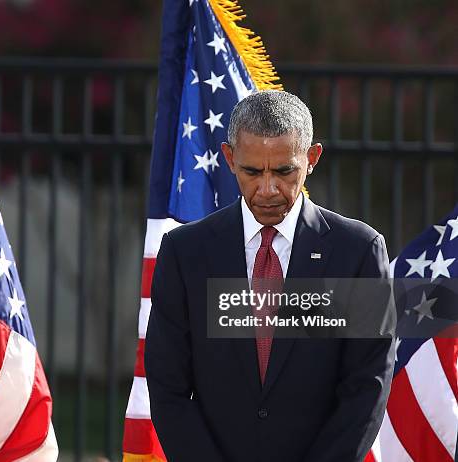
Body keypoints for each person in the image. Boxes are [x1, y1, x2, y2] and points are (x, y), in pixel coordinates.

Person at [144, 90, 395, 461]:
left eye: (283, 171)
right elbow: (169, 386)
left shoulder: (357, 252)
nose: (267, 189)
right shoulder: (185, 253)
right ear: (229, 158)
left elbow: (366, 387)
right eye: (251, 171)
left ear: (311, 159)